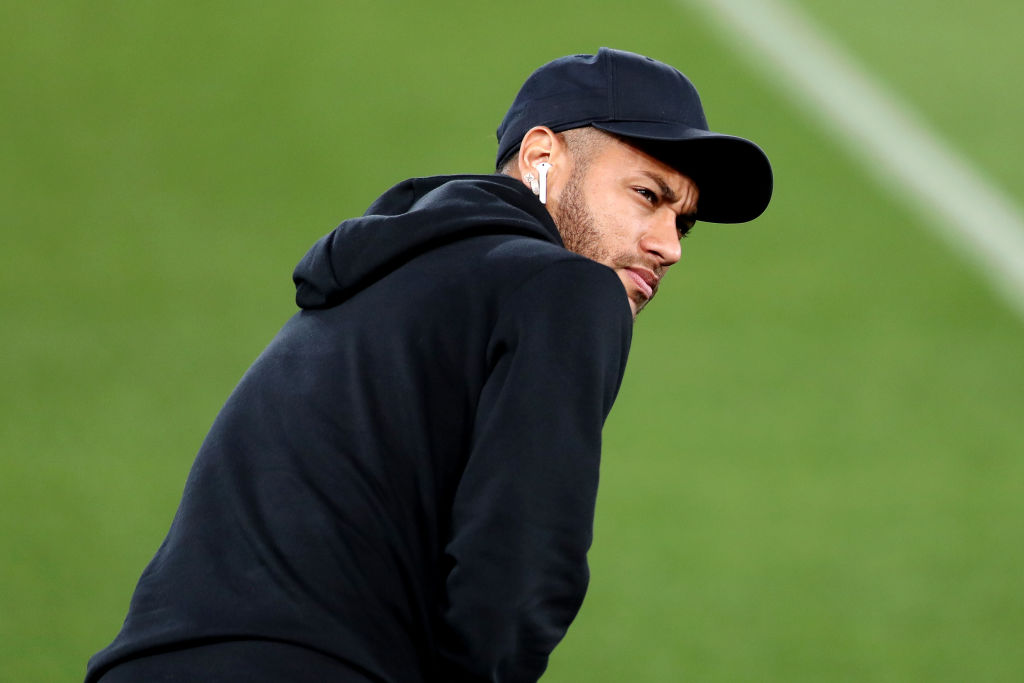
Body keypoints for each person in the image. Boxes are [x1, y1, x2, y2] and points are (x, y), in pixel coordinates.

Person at [85, 47, 772, 683]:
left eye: (683, 223)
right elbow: (520, 567)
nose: (669, 246)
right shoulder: (566, 288)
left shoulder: (376, 287)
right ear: (542, 156)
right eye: (648, 196)